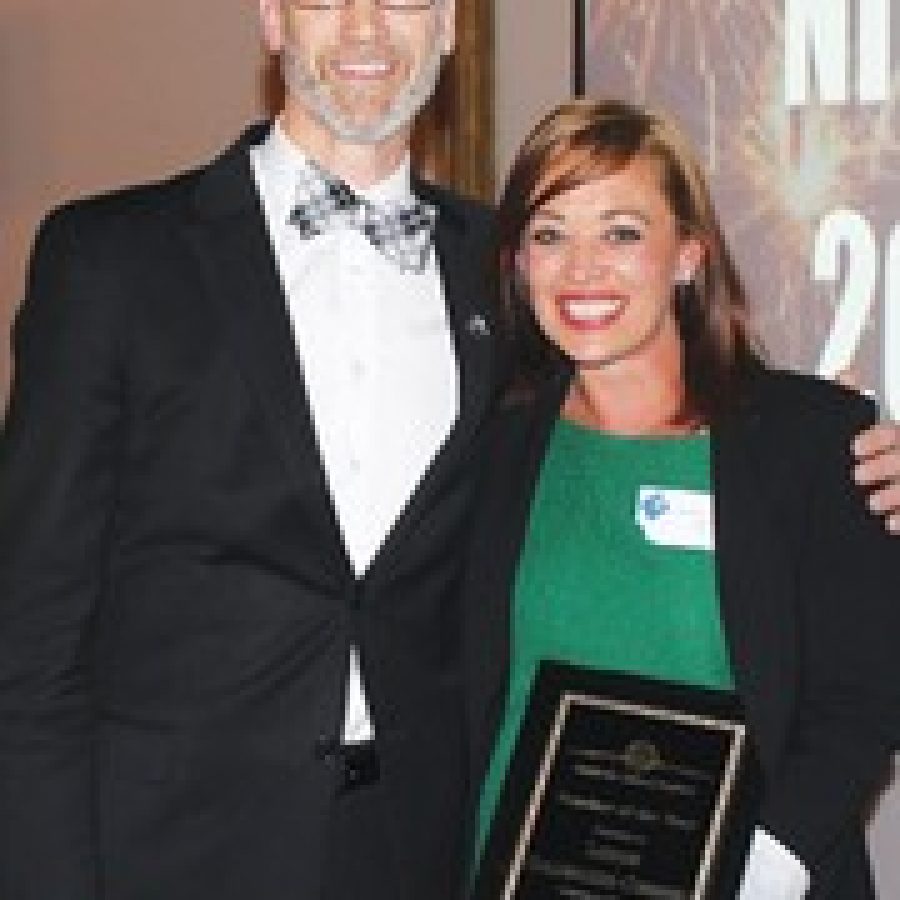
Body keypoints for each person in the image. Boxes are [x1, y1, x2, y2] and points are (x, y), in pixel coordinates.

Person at [0, 6, 898, 897]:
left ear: (448, 30)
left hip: (421, 848)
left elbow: (730, 445)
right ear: (272, 22)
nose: (363, 29)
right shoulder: (112, 260)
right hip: (174, 849)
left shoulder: (487, 269)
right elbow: (32, 634)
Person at [466, 100, 900, 899]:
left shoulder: (811, 441)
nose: (583, 268)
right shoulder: (489, 451)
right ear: (519, 263)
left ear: (688, 255)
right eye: (550, 234)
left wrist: (767, 867)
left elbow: (862, 699)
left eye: (622, 232)